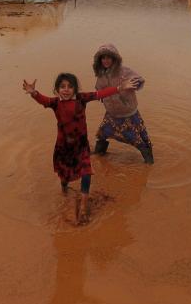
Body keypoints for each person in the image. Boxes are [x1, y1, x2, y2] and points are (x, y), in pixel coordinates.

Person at [23, 72, 139, 223]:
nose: (66, 90)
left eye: (70, 87)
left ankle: (83, 205)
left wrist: (119, 88)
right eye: (62, 87)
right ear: (57, 89)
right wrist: (33, 93)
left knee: (86, 171)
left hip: (81, 146)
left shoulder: (81, 99)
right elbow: (42, 99)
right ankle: (64, 189)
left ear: (75, 89)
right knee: (64, 174)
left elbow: (99, 94)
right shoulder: (55, 103)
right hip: (63, 147)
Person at [92, 44, 153, 164]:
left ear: (115, 59)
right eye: (103, 58)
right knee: (102, 133)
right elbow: (99, 87)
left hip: (128, 113)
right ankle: (99, 154)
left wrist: (132, 84)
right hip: (111, 113)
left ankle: (149, 160)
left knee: (136, 139)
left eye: (109, 58)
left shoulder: (124, 71)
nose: (106, 60)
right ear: (100, 60)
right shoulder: (101, 73)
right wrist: (100, 95)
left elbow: (140, 79)